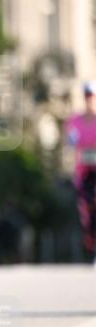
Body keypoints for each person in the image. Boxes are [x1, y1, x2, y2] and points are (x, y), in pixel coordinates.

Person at [65, 81, 96, 263]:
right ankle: (92, 249)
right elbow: (71, 143)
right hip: (84, 173)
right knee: (87, 212)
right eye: (87, 95)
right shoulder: (75, 121)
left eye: (92, 96)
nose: (89, 99)